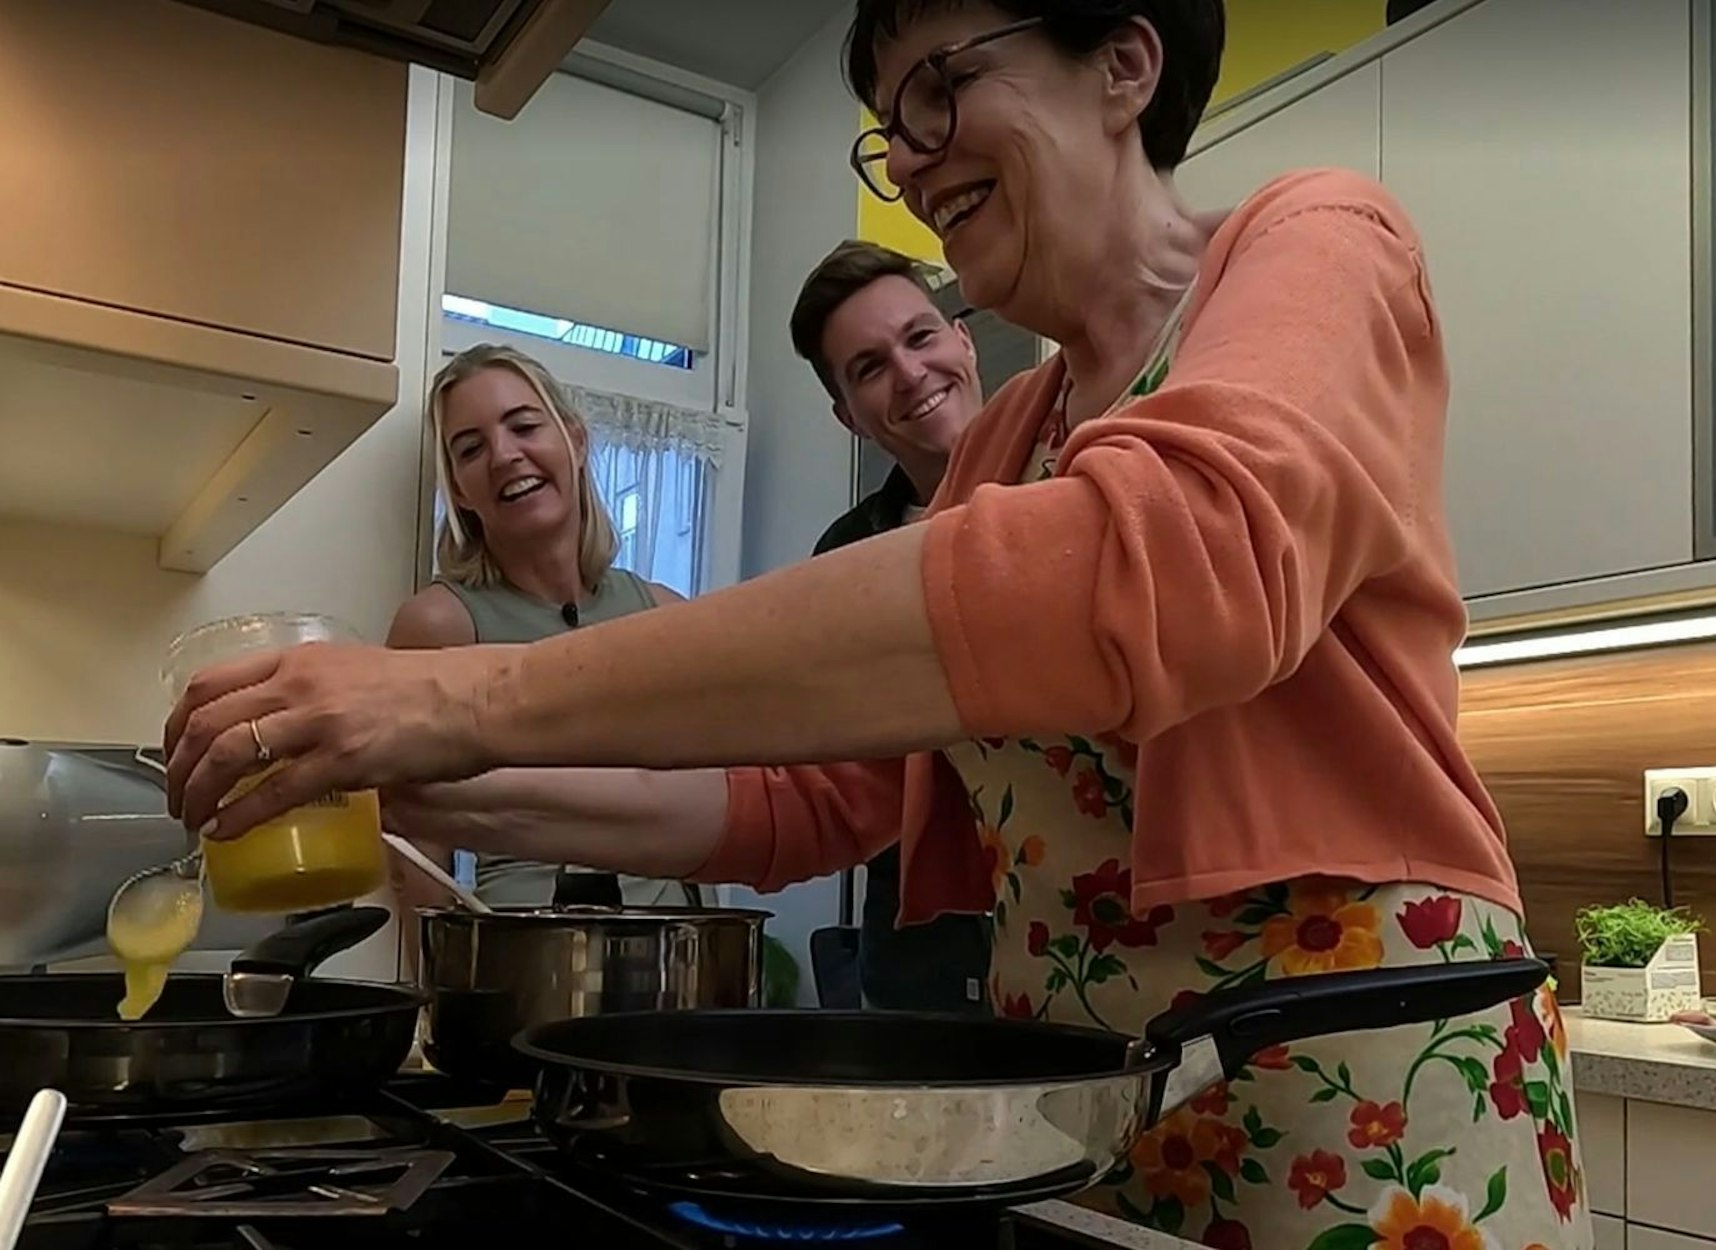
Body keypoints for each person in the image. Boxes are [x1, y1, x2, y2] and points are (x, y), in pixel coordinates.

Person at [163, 3, 1586, 1247]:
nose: (904, 156)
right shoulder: (1006, 442)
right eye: (886, 125)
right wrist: (445, 781)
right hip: (1101, 1115)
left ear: (1125, 64)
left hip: (1373, 1101)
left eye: (938, 87)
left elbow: (1163, 563)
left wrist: (457, 702)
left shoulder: (1317, 237)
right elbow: (818, 796)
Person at [386, 342, 696, 910]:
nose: (505, 456)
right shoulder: (440, 625)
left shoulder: (665, 612)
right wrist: (455, 985)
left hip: (672, 958)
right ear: (459, 488)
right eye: (471, 449)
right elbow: (416, 850)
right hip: (522, 965)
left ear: (575, 441)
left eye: (524, 426)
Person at [793, 239, 994, 1013]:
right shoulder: (843, 561)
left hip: (1095, 936)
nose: (911, 373)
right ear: (847, 415)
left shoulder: (1084, 479)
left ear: (963, 339)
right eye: (870, 367)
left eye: (921, 337)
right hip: (920, 967)